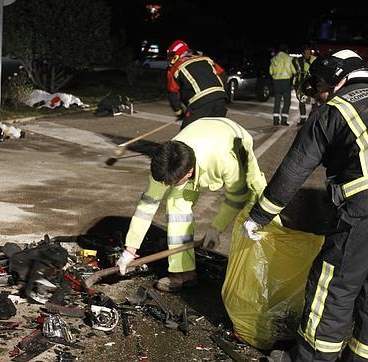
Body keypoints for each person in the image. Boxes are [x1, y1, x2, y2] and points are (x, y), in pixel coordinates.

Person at [242, 49, 368, 361]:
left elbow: (295, 169)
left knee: (334, 284)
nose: (321, 96)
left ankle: (313, 358)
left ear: (339, 78)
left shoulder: (336, 109)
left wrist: (259, 216)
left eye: (321, 88)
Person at [116, 116, 268, 292]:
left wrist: (216, 229)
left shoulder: (225, 161)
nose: (166, 186)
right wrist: (130, 249)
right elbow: (146, 207)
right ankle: (183, 274)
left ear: (188, 173)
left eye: (173, 182)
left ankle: (257, 277)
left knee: (256, 204)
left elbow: (236, 197)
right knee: (175, 203)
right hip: (200, 134)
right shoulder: (166, 162)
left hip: (233, 137)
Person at [165, 40, 228, 130]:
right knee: (213, 131)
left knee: (186, 134)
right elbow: (222, 74)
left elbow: (173, 92)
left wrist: (179, 112)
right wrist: (222, 92)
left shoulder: (175, 67)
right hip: (220, 100)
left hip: (200, 103)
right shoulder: (205, 59)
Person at [269, 44, 295, 126]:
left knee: (277, 101)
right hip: (285, 81)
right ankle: (284, 120)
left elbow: (270, 71)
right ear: (286, 50)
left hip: (276, 81)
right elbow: (294, 71)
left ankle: (276, 120)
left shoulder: (273, 59)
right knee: (287, 101)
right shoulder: (289, 58)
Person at [292, 45, 317, 125]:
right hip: (301, 82)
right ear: (303, 53)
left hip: (312, 83)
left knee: (314, 101)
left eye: (309, 53)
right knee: (302, 101)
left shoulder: (314, 59)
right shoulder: (299, 60)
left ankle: (312, 119)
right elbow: (296, 70)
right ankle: (303, 119)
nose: (308, 55)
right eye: (306, 53)